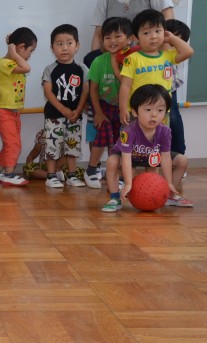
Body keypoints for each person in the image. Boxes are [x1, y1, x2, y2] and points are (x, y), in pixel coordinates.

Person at [102, 84, 191, 212]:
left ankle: (169, 195)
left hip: (150, 156)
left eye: (160, 110)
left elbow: (165, 157)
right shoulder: (129, 132)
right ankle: (115, 198)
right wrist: (128, 183)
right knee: (112, 161)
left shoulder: (165, 131)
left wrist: (169, 182)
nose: (154, 115)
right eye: (148, 110)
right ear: (135, 112)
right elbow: (126, 159)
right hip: (129, 156)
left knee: (182, 160)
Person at [118, 9, 194, 126]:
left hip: (161, 112)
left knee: (160, 142)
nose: (153, 36)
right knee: (134, 143)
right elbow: (125, 86)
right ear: (135, 38)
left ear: (164, 32)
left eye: (158, 31)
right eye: (146, 33)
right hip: (137, 112)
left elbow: (188, 51)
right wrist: (123, 108)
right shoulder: (132, 59)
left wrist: (172, 38)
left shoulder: (167, 56)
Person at [85, 17, 133, 189]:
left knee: (120, 141)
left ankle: (116, 173)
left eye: (117, 36)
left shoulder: (133, 59)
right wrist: (97, 112)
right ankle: (91, 169)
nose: (112, 41)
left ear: (130, 38)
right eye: (107, 37)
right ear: (102, 41)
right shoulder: (98, 61)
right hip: (103, 105)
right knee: (103, 135)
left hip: (125, 108)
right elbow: (93, 89)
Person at [41, 24, 90, 188]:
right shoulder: (50, 69)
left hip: (75, 115)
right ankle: (51, 176)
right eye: (59, 44)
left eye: (69, 43)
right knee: (52, 145)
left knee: (72, 145)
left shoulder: (82, 69)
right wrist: (63, 110)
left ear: (77, 46)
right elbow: (48, 92)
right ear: (52, 48)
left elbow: (85, 91)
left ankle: (71, 175)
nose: (64, 48)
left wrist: (78, 109)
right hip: (54, 115)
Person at [0, 27, 37, 187]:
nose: (30, 56)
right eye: (30, 51)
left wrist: (14, 49)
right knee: (13, 144)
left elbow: (23, 64)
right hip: (3, 112)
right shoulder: (5, 63)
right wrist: (15, 53)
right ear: (21, 47)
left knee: (12, 143)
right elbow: (26, 68)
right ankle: (9, 174)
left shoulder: (13, 61)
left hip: (13, 113)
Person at [91, 0, 174, 50]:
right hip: (115, 56)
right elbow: (99, 34)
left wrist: (161, 55)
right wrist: (94, 60)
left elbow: (168, 22)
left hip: (147, 55)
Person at [163, 19, 190, 155]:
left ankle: (179, 154)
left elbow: (188, 51)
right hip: (147, 92)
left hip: (168, 90)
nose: (168, 45)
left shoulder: (172, 55)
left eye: (173, 42)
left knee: (172, 118)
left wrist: (172, 39)